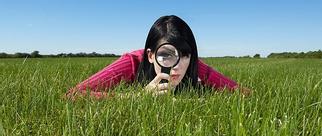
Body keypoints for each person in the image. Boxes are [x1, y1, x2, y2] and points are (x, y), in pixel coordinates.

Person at [66, 15, 249, 99]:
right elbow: (73, 95)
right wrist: (136, 97)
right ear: (151, 55)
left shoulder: (193, 64)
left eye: (185, 55)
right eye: (166, 55)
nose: (177, 66)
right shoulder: (132, 62)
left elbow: (243, 93)